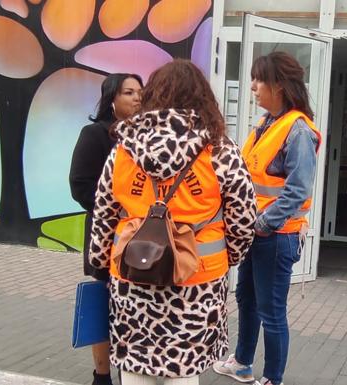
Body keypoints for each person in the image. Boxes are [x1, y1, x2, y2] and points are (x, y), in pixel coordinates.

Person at [87, 59, 257, 385]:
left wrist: (99, 261)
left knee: (137, 364)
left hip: (133, 275)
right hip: (198, 279)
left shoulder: (123, 149)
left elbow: (104, 213)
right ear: (201, 98)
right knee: (184, 368)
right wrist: (230, 256)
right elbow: (244, 217)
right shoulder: (219, 150)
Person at [213, 51, 321, 385]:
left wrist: (261, 224)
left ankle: (273, 378)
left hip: (276, 235)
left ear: (280, 85)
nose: (254, 87)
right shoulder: (266, 124)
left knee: (271, 311)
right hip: (254, 234)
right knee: (246, 297)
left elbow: (297, 190)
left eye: (260, 80)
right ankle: (243, 363)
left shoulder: (298, 130)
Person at [69, 72, 143, 385]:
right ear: (112, 98)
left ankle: (132, 371)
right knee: (103, 306)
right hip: (106, 237)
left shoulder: (146, 137)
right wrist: (116, 213)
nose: (137, 98)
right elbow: (80, 186)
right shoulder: (95, 134)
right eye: (129, 92)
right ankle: (102, 376)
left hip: (141, 241)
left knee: (133, 308)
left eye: (140, 92)